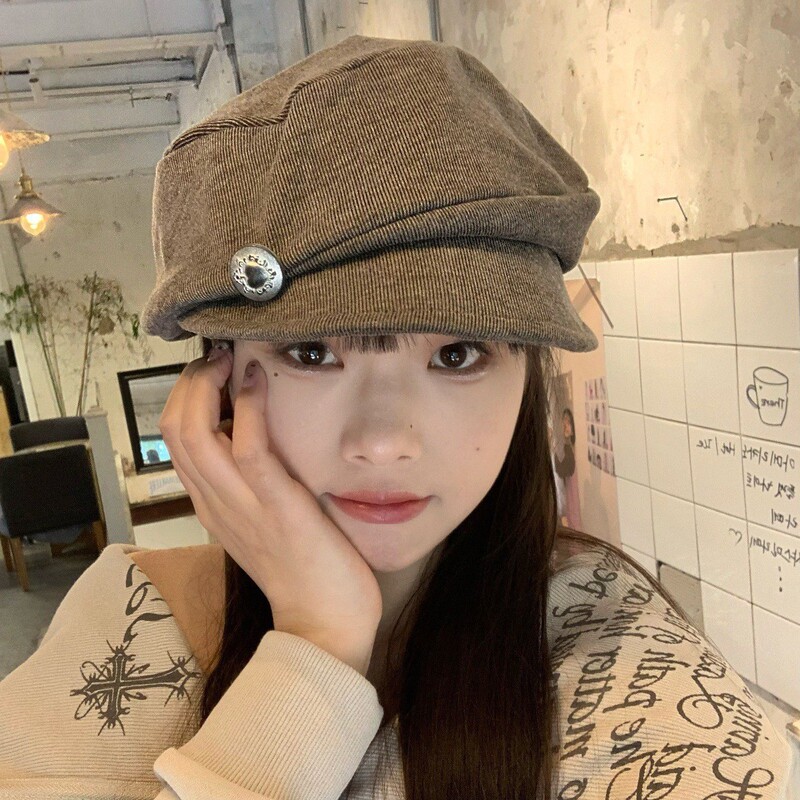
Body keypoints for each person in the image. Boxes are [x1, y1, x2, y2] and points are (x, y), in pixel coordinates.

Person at [0, 34, 795, 800]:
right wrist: (317, 643)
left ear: (528, 376)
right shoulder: (128, 618)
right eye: (312, 351)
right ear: (217, 376)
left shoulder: (620, 658)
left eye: (457, 354)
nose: (382, 443)